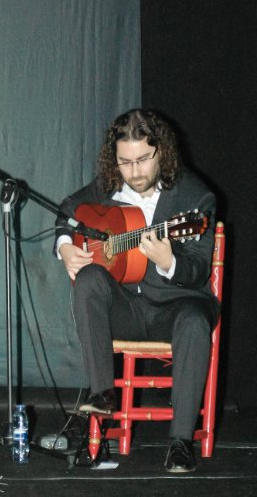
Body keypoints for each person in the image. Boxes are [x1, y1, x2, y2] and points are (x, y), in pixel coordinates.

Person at [54, 108, 220, 472]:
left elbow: (198, 269)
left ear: (162, 151)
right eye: (125, 162)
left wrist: (168, 261)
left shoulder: (195, 197)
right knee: (88, 280)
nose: (135, 172)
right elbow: (68, 209)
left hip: (175, 308)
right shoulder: (110, 185)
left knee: (195, 322)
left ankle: (179, 442)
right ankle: (102, 395)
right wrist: (65, 244)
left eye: (143, 160)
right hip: (126, 308)